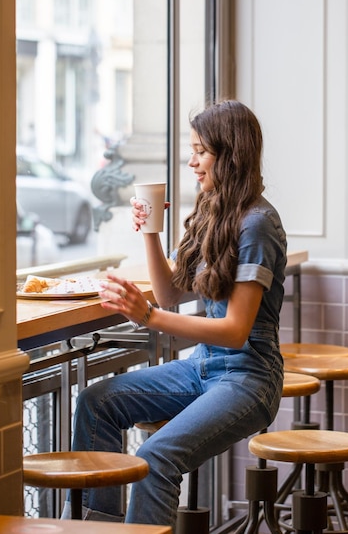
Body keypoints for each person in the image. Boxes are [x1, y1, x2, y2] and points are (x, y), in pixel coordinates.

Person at [63, 99, 287, 528]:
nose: (192, 161)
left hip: (250, 378)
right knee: (96, 403)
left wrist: (145, 316)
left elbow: (236, 331)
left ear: (231, 154)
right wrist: (151, 232)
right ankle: (98, 527)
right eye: (192, 150)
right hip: (204, 367)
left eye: (201, 151)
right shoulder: (214, 211)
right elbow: (168, 294)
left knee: (155, 458)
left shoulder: (257, 224)